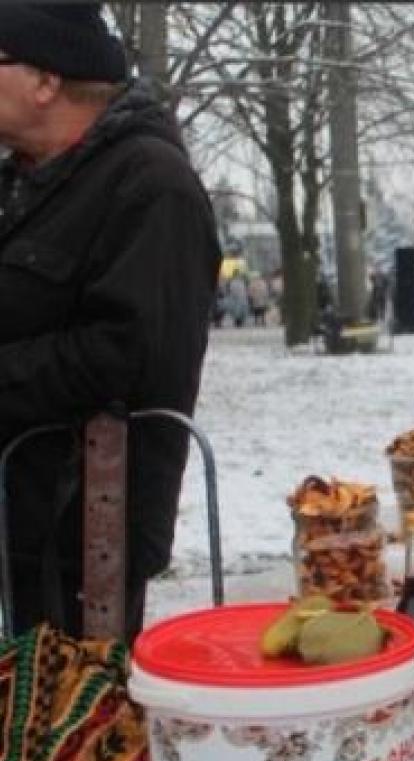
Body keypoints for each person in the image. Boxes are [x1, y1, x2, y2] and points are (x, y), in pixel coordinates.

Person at [0, 4, 221, 639]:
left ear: (46, 80)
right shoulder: (22, 181)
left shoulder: (152, 185)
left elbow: (126, 353)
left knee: (72, 699)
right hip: (17, 514)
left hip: (84, 535)